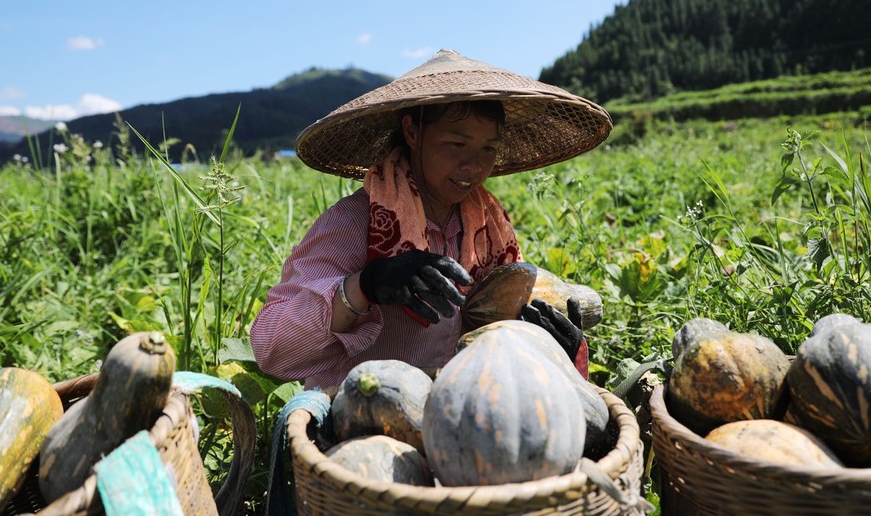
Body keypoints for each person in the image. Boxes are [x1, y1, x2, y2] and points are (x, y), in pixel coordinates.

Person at [250, 49, 612, 391]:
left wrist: (557, 349)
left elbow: (502, 338)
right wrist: (367, 285)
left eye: (488, 148)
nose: (474, 166)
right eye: (457, 144)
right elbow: (273, 348)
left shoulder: (486, 230)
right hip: (363, 420)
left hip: (459, 412)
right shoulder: (355, 222)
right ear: (412, 131)